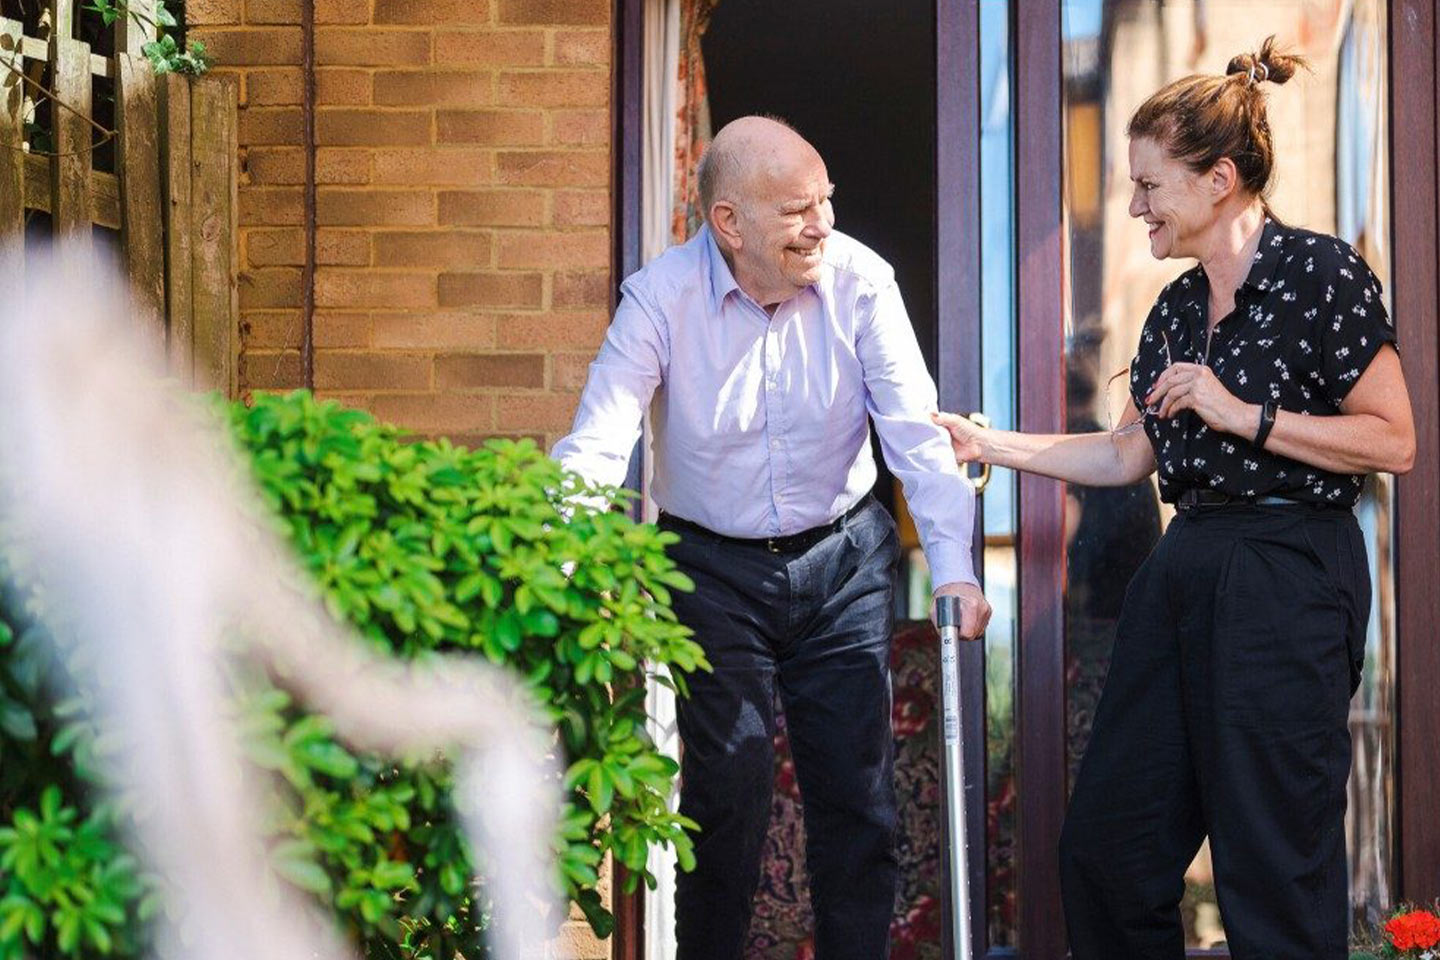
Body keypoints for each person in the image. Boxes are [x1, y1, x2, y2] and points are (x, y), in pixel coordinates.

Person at [934, 39, 1415, 960]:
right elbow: (1126, 453)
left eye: (1151, 185)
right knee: (1107, 855)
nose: (1134, 206)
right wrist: (989, 444)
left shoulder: (1322, 277)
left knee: (1272, 867)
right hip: (1183, 568)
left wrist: (1242, 414)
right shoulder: (1177, 309)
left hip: (1288, 572)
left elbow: (1394, 441)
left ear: (1220, 179)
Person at [553, 115, 991, 959]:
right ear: (729, 222)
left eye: (826, 201)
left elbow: (916, 435)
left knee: (858, 799)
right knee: (728, 791)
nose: (822, 224)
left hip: (843, 559)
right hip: (711, 567)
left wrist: (955, 568)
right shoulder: (660, 298)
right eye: (797, 210)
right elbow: (599, 441)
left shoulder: (862, 281)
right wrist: (549, 560)